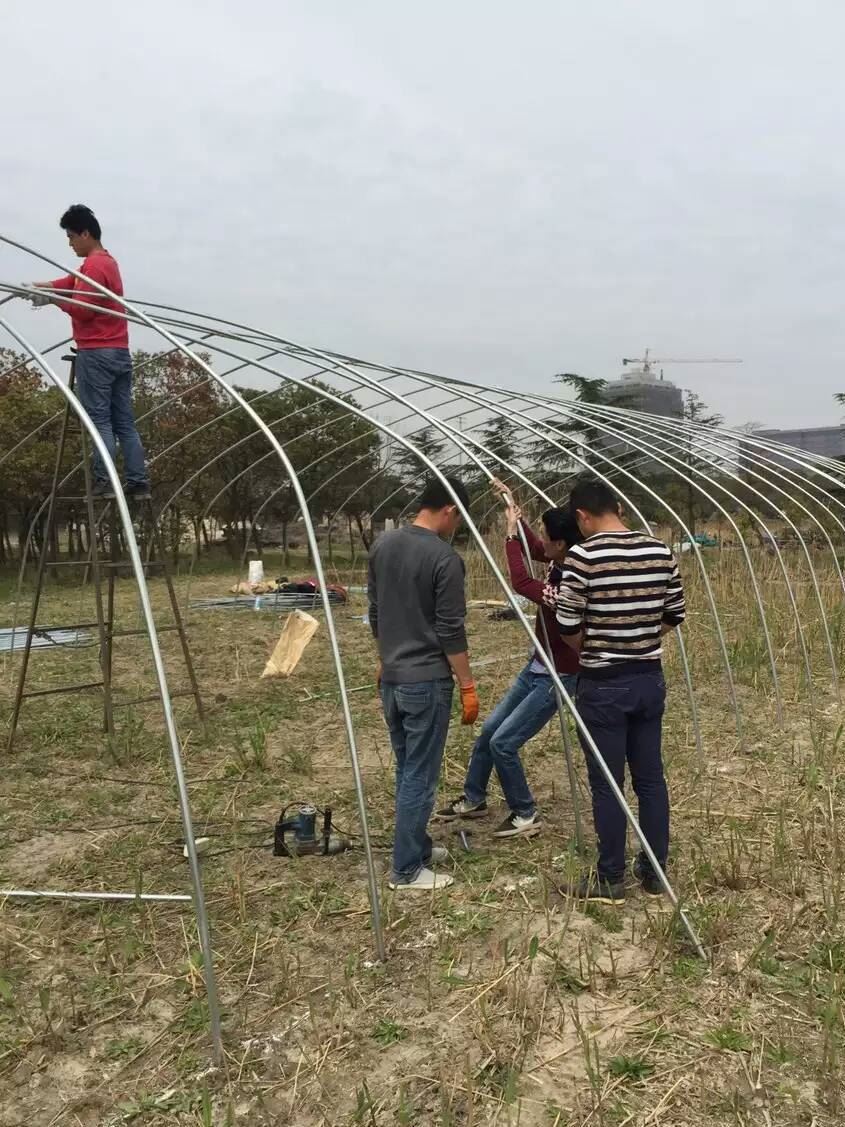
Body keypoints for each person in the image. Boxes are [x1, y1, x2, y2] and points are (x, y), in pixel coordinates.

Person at [555, 477, 685, 905]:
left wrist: (598, 644)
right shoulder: (660, 550)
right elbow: (674, 614)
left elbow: (568, 626)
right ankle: (653, 873)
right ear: (619, 509)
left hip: (604, 684)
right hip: (649, 677)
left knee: (608, 783)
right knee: (650, 779)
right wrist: (641, 636)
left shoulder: (583, 556)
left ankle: (610, 878)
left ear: (582, 516)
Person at [436, 479, 580, 838]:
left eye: (546, 534)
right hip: (537, 667)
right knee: (489, 732)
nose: (541, 540)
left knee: (505, 742)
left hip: (558, 676)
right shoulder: (561, 557)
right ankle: (474, 798)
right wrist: (513, 508)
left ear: (560, 544)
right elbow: (535, 548)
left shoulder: (573, 579)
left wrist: (510, 535)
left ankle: (525, 812)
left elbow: (521, 582)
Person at [368, 476, 479, 891]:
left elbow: (376, 612)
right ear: (449, 510)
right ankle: (406, 870)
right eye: (459, 519)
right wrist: (467, 683)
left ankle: (415, 846)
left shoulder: (383, 544)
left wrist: (385, 657)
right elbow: (451, 630)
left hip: (393, 682)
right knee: (420, 774)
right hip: (427, 682)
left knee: (407, 768)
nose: (458, 528)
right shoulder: (444, 558)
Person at [29, 204, 150, 499]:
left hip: (97, 352)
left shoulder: (93, 266)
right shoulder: (104, 263)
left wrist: (52, 301)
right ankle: (137, 482)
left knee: (100, 422)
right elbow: (70, 283)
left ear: (86, 233)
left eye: (71, 237)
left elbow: (82, 311)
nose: (70, 243)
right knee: (124, 421)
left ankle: (104, 482)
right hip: (119, 351)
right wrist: (43, 287)